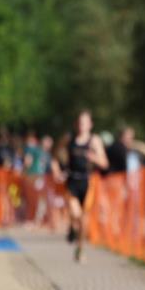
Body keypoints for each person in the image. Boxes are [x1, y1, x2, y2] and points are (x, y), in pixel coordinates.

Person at [51, 110, 108, 262]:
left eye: (85, 122)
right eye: (80, 122)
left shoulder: (94, 141)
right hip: (72, 181)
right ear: (76, 124)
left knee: (84, 220)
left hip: (88, 183)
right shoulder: (69, 139)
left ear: (90, 125)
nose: (82, 125)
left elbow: (104, 163)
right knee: (76, 213)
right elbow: (54, 157)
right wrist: (57, 172)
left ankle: (80, 249)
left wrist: (93, 157)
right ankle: (72, 226)